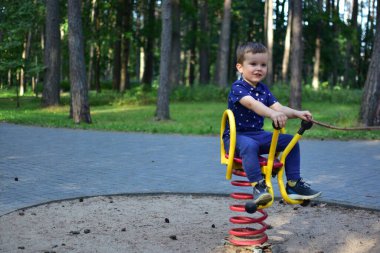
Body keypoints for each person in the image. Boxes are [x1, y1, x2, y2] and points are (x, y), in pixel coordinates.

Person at [223, 42, 321, 206]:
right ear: (240, 67)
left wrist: (297, 113)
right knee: (250, 146)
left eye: (263, 65)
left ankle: (293, 184)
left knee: (291, 141)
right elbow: (252, 104)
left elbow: (279, 107)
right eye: (253, 64)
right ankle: (259, 186)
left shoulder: (263, 89)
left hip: (257, 136)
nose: (258, 68)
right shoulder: (238, 87)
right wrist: (272, 113)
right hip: (236, 138)